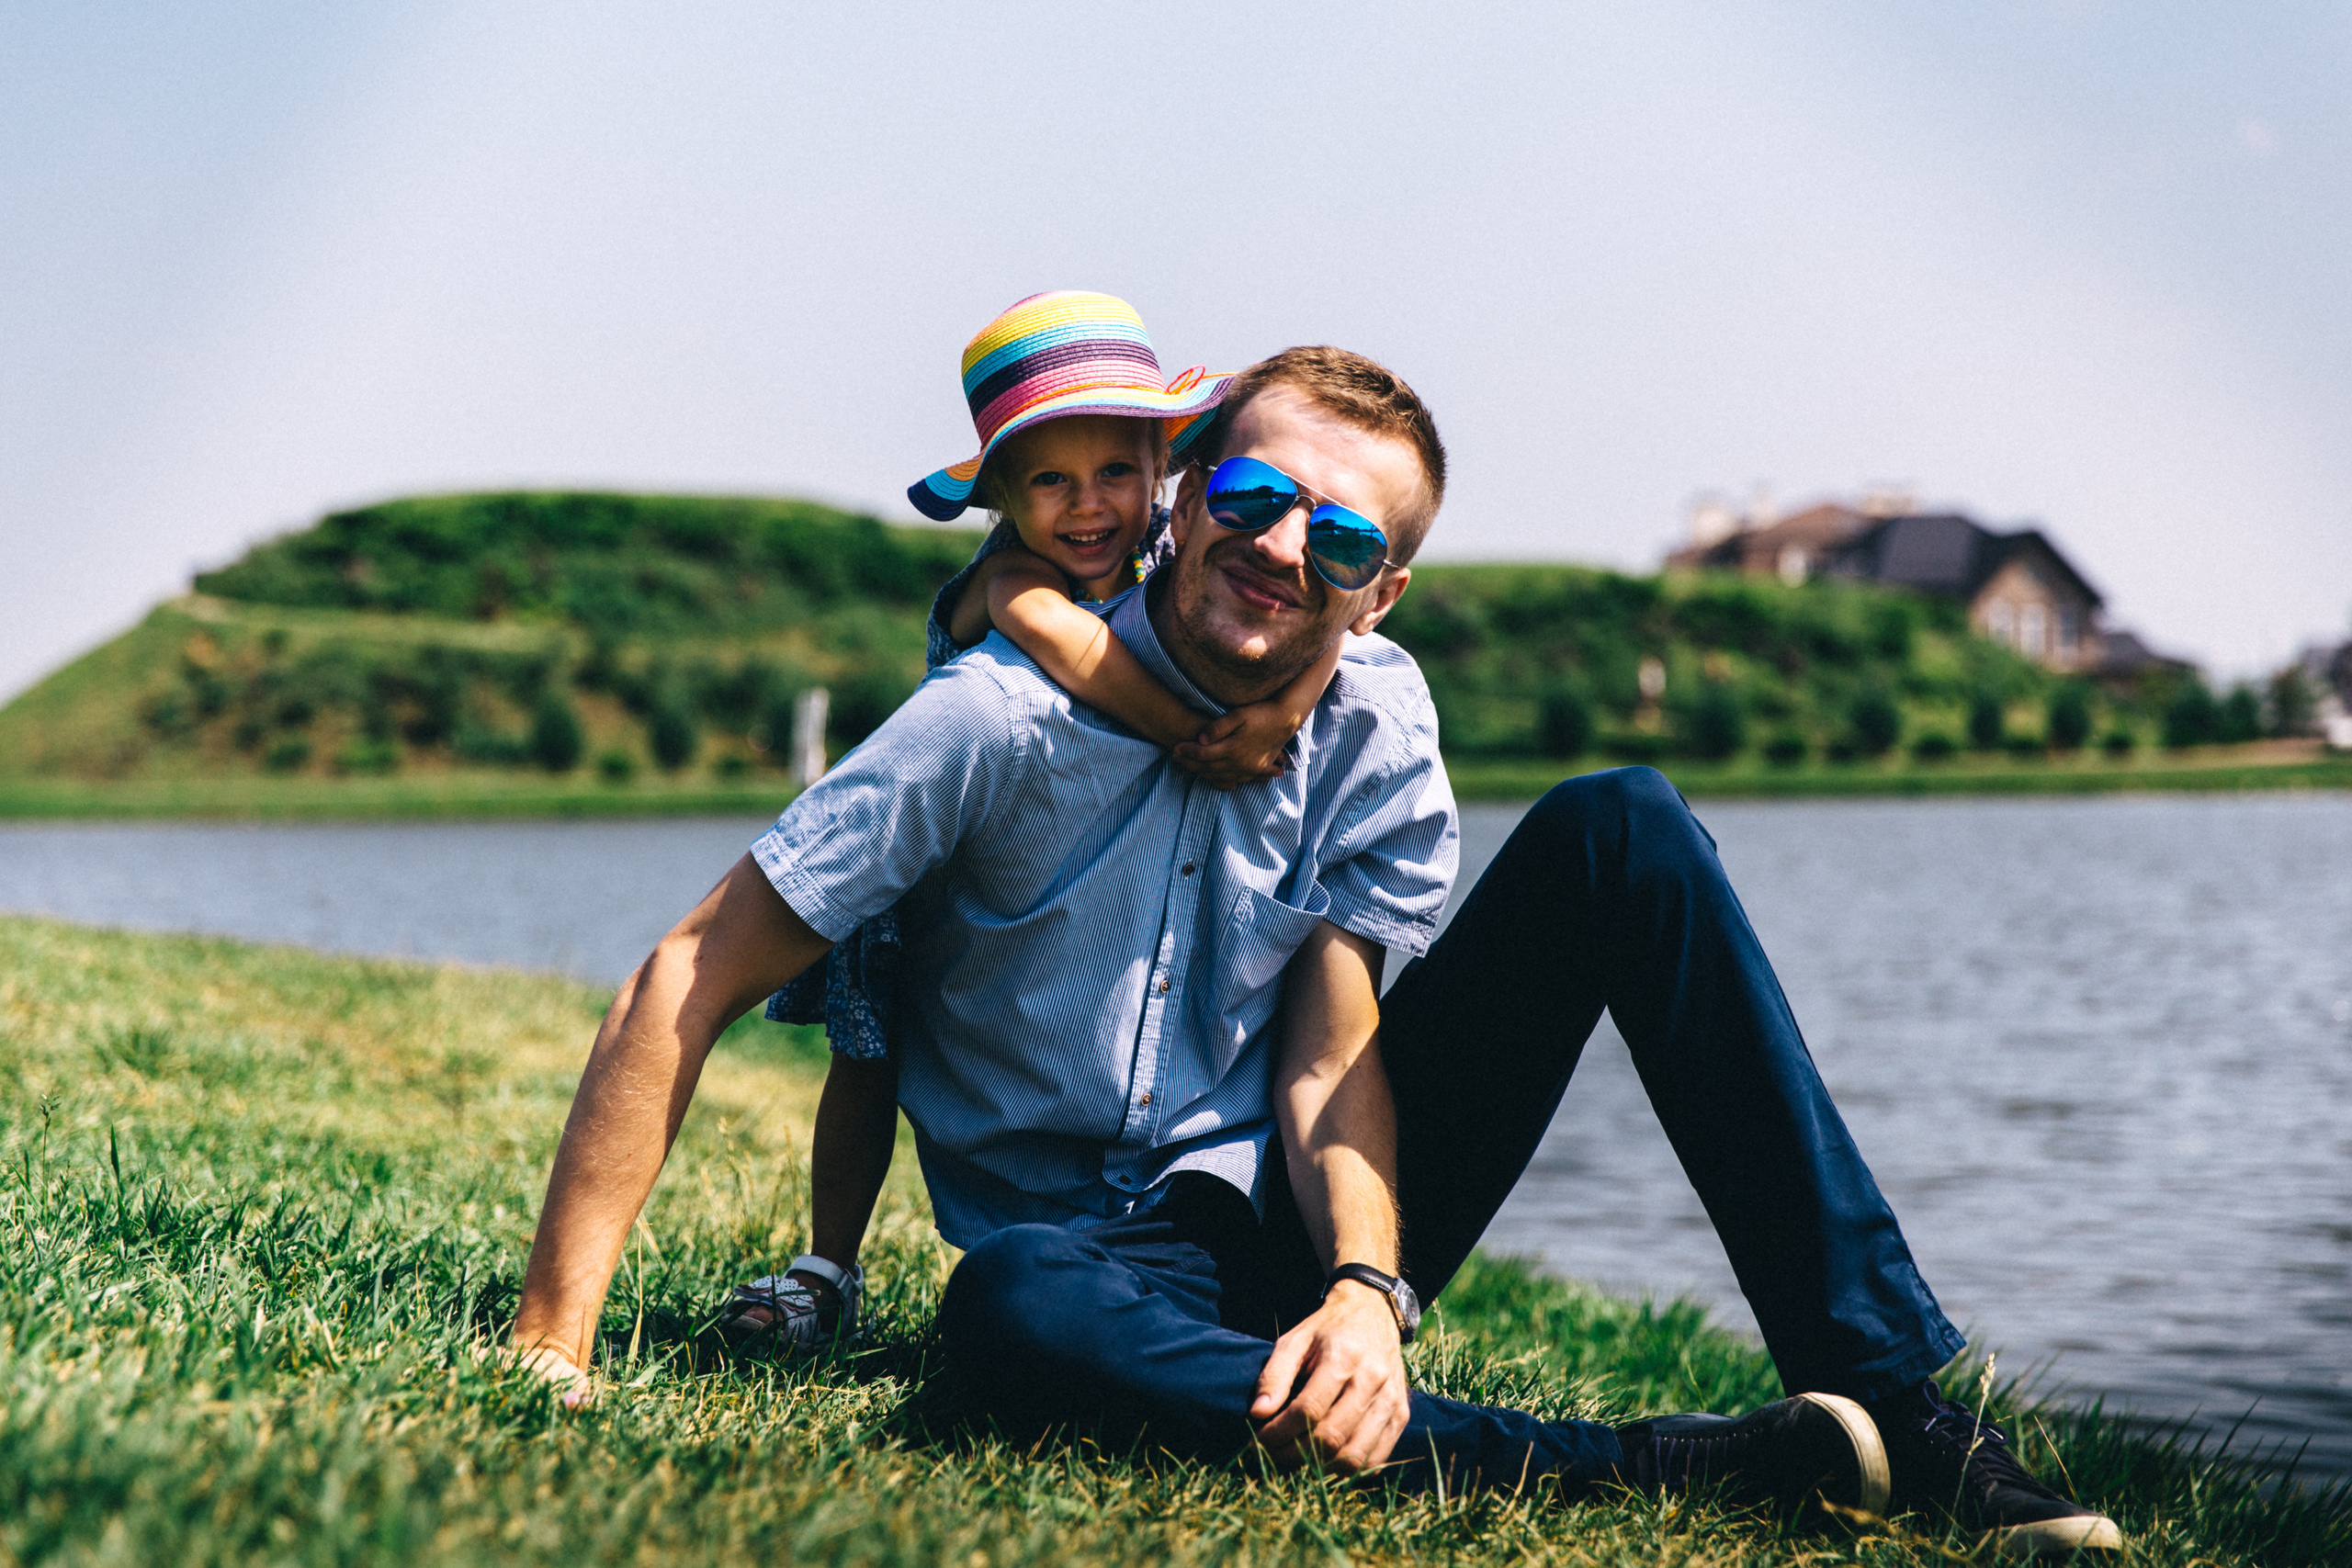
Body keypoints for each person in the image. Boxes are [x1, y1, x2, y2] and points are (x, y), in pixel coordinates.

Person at [507, 343, 2122, 1554]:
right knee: (1003, 1313)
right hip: (1085, 1260)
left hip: (1309, 1190)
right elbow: (691, 970)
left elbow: (1331, 1039)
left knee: (1622, 820)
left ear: (1384, 593)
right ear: (1182, 485)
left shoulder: (1371, 712)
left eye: (1339, 542)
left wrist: (1366, 1281)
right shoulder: (989, 720)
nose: (1285, 549)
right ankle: (1682, 1463)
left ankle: (1910, 1401)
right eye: (1259, 497)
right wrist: (552, 1342)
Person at [711, 292, 1342, 1351]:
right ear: (1000, 492)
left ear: (1163, 474)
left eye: (1115, 474)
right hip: (937, 860)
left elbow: (1325, 618)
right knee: (869, 1060)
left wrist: (1282, 705)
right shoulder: (1013, 580)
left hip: (1070, 854)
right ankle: (828, 1264)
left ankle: (1151, 1232)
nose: (1087, 506)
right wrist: (1206, 732)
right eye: (1049, 480)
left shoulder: (1168, 559)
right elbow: (1082, 656)